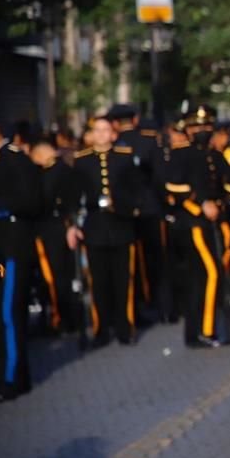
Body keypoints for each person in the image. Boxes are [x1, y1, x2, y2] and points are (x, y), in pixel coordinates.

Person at [67, 117, 141, 347]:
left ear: (113, 133)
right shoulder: (82, 161)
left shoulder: (125, 158)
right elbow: (73, 196)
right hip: (95, 228)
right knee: (98, 282)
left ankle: (125, 327)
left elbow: (135, 191)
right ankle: (101, 328)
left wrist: (121, 205)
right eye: (96, 130)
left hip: (121, 226)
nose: (100, 135)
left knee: (123, 281)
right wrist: (72, 224)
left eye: (105, 130)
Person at [165, 105, 230, 348]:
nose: (203, 131)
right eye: (197, 127)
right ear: (188, 129)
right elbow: (173, 186)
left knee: (205, 276)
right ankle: (204, 330)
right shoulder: (182, 154)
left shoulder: (214, 155)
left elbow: (227, 183)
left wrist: (221, 203)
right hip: (193, 223)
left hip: (214, 223)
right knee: (210, 272)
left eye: (206, 126)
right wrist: (200, 204)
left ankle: (204, 328)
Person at [109, 104, 168, 324]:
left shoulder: (114, 145)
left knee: (132, 262)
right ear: (135, 119)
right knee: (157, 260)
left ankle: (139, 308)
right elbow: (160, 176)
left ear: (114, 123)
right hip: (151, 207)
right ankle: (164, 307)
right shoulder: (150, 140)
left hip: (125, 211)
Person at [0, 123, 42, 401]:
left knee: (8, 313)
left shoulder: (15, 158)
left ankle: (13, 377)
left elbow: (32, 202)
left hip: (12, 247)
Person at [31, 137, 79, 333]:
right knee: (63, 276)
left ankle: (61, 317)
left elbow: (49, 199)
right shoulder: (62, 169)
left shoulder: (54, 172)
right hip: (58, 227)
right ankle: (65, 316)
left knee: (56, 276)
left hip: (53, 229)